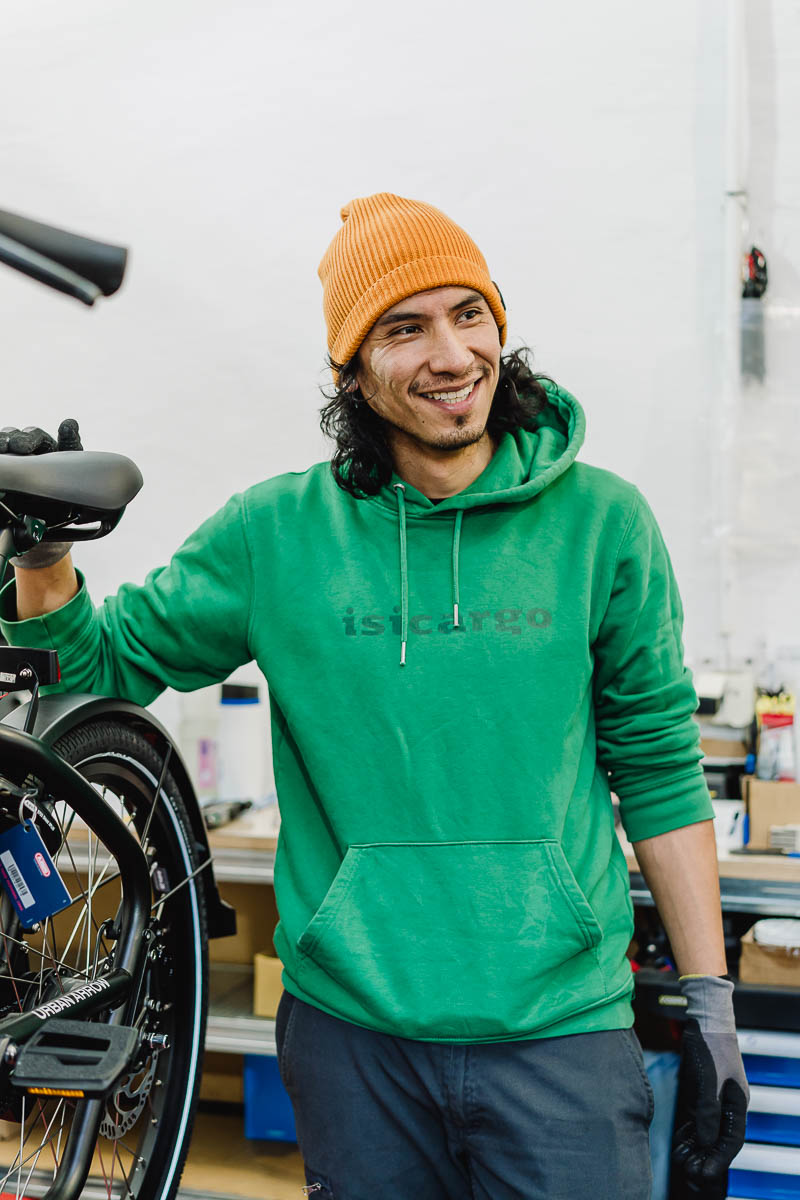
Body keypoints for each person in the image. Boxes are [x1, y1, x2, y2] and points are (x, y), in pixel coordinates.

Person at [0, 193, 748, 1199]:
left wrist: (709, 1002)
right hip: (353, 1042)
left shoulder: (603, 524)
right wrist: (43, 556)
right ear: (351, 369)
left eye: (469, 315)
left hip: (560, 1035)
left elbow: (657, 769)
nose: (451, 355)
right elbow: (94, 677)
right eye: (404, 329)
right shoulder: (274, 535)